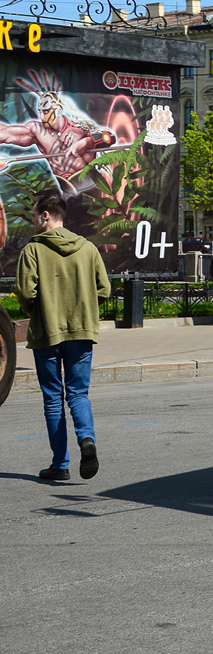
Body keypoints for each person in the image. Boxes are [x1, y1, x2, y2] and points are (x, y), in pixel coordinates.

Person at [17, 192, 110, 482]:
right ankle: (87, 439)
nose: (32, 221)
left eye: (34, 216)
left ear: (46, 215)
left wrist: (42, 308)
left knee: (53, 398)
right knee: (79, 393)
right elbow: (104, 290)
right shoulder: (88, 248)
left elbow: (24, 292)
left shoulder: (33, 251)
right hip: (82, 332)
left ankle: (60, 464)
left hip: (47, 332)